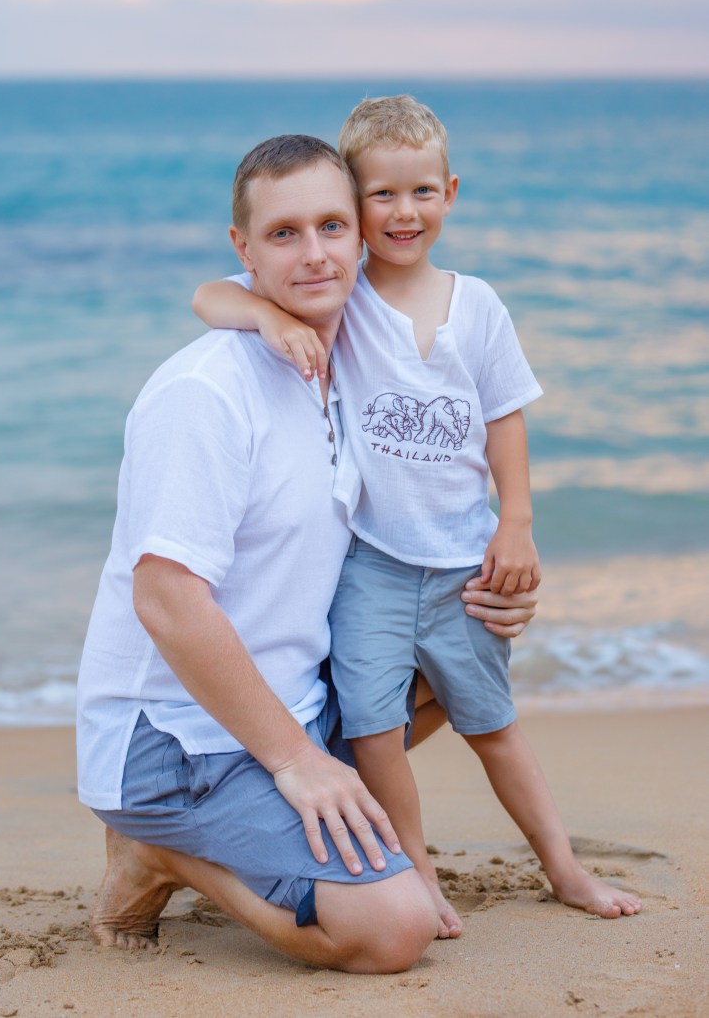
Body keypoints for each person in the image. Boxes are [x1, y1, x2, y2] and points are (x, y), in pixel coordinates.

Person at [77, 133, 538, 973]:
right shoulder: (206, 393)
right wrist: (295, 763)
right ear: (243, 248)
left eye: (331, 225)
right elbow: (165, 601)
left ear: (362, 235)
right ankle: (159, 852)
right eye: (283, 234)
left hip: (294, 701)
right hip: (178, 740)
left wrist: (495, 587)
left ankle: (263, 799)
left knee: (457, 660)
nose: (315, 253)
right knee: (392, 930)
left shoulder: (344, 363)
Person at [192, 96, 642, 939]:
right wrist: (264, 314)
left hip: (465, 564)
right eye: (382, 195)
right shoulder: (343, 299)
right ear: (354, 205)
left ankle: (563, 866)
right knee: (375, 731)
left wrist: (516, 523)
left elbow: (503, 416)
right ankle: (418, 875)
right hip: (373, 565)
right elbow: (209, 295)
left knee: (492, 725)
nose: (404, 213)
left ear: (450, 193)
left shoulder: (478, 305)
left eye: (422, 192)